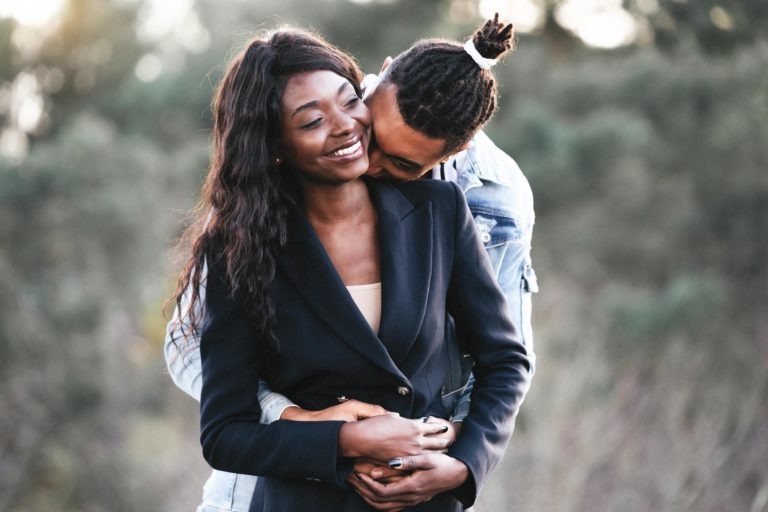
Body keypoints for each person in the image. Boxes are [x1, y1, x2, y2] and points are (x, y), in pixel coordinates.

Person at [167, 16, 535, 512]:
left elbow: (505, 359)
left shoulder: (447, 209)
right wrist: (332, 433)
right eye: (312, 121)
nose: (359, 145)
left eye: (347, 103)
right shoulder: (244, 234)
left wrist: (462, 463)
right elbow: (216, 409)